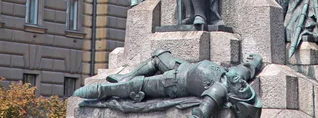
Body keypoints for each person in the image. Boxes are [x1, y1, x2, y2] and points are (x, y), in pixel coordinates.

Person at [74, 50, 263, 118]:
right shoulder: (236, 75)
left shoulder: (218, 90)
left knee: (138, 86)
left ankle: (102, 90)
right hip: (181, 65)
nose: (243, 85)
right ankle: (126, 77)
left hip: (172, 83)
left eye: (242, 89)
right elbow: (250, 65)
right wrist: (255, 61)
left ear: (233, 94)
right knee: (158, 55)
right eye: (246, 87)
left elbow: (203, 111)